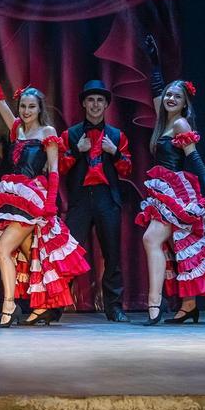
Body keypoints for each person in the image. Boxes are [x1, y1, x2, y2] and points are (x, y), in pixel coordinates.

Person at [0, 46, 90, 327]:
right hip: (13, 197)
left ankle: (9, 307)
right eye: (24, 106)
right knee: (35, 255)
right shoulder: (16, 128)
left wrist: (51, 204)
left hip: (33, 199)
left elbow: (53, 170)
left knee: (2, 250)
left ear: (40, 108)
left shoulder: (48, 133)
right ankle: (47, 306)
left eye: (31, 106)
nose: (26, 111)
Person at [136, 35, 205, 325]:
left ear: (184, 104)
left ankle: (154, 306)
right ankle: (188, 305)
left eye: (176, 97)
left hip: (177, 189)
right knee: (175, 244)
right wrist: (154, 63)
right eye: (169, 95)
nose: (169, 99)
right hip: (162, 188)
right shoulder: (163, 119)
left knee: (151, 238)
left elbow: (193, 156)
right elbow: (156, 89)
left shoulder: (180, 123)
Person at [59, 80, 132, 322]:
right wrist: (75, 151)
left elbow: (126, 170)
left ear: (106, 105)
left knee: (112, 254)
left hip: (106, 198)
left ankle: (114, 307)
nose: (95, 104)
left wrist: (116, 153)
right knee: (67, 252)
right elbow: (58, 168)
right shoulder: (70, 135)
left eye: (100, 100)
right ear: (83, 103)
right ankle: (55, 306)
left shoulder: (116, 136)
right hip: (80, 199)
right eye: (91, 99)